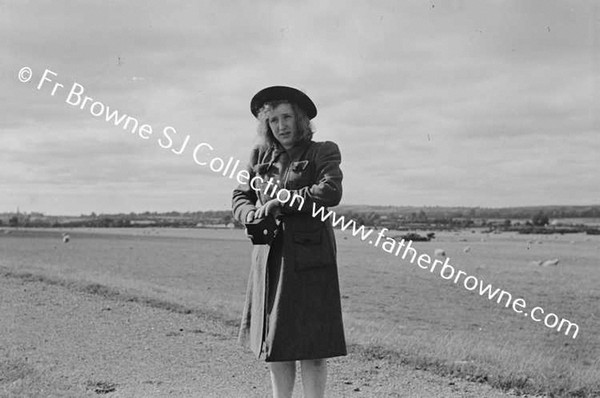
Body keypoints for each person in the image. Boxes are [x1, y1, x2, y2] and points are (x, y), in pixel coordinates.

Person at [232, 86, 347, 398]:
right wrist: (250, 214)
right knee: (277, 345)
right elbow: (240, 196)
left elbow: (329, 192)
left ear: (300, 120)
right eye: (272, 120)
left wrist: (282, 201)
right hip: (270, 259)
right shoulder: (258, 156)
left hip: (310, 261)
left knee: (312, 347)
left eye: (286, 117)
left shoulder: (323, 151)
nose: (280, 126)